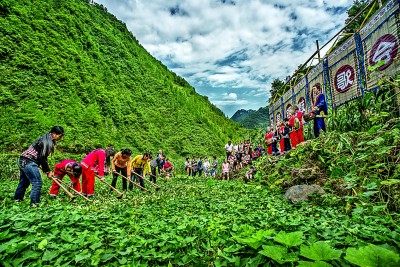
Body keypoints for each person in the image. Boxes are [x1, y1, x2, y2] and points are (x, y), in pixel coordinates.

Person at [14, 126, 65, 206]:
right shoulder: (47, 142)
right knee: (37, 182)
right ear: (54, 134)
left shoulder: (47, 137)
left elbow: (41, 157)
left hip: (23, 159)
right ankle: (34, 204)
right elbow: (42, 158)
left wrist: (47, 170)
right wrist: (48, 171)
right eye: (60, 135)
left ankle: (17, 201)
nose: (61, 138)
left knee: (24, 183)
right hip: (28, 161)